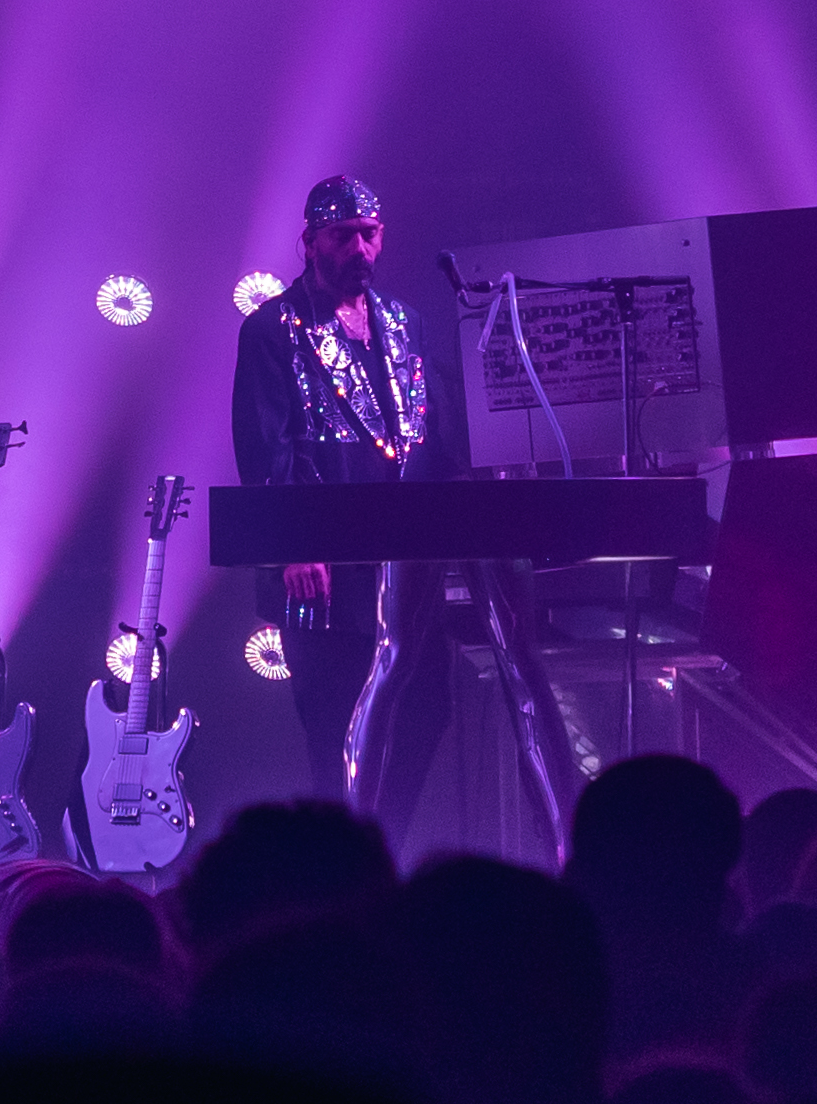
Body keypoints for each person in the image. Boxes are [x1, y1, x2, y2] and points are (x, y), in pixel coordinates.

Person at [234, 176, 575, 855]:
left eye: (369, 232)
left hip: (409, 560)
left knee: (425, 711)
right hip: (325, 566)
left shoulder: (403, 321)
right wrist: (295, 545)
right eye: (342, 235)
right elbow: (263, 447)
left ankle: (381, 849)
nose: (359, 246)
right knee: (336, 725)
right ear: (310, 243)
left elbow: (432, 437)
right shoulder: (274, 327)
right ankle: (341, 869)